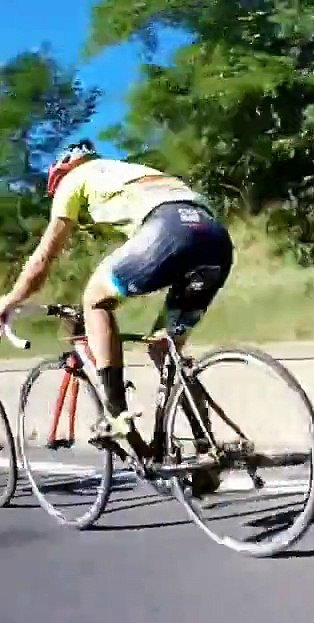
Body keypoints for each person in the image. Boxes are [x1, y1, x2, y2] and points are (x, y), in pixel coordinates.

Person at [0, 140, 234, 479]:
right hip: (214, 238)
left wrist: (10, 299)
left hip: (169, 230)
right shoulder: (131, 173)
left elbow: (43, 259)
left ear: (61, 170)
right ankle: (205, 449)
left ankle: (116, 416)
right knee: (164, 349)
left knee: (96, 298)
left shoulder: (74, 180)